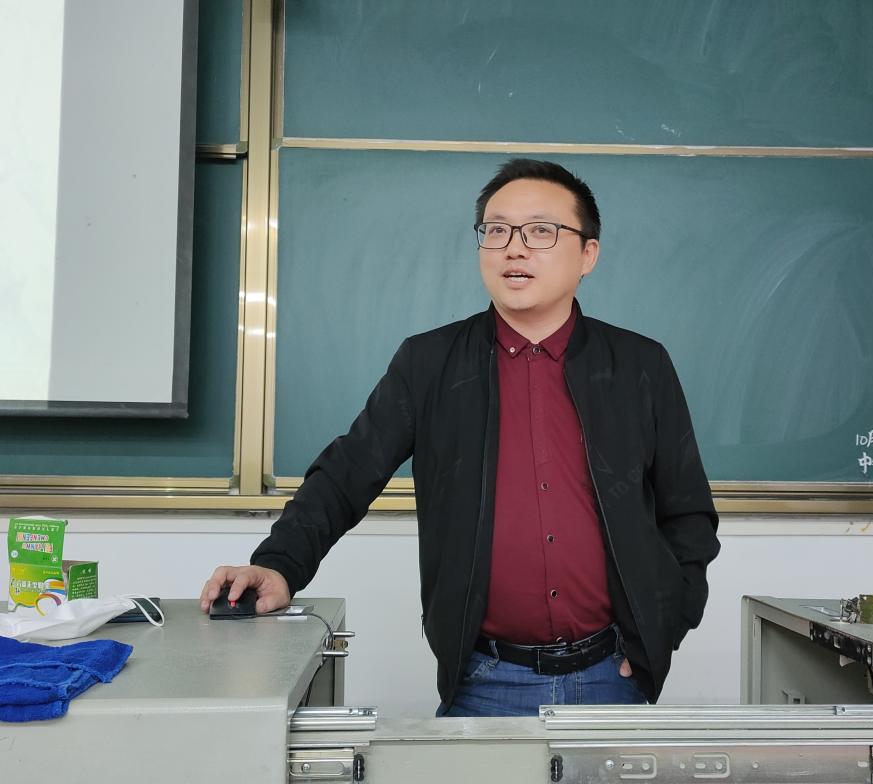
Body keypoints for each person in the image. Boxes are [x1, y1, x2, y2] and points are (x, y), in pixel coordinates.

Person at [201, 158, 720, 716]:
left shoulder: (641, 366)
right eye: (496, 231)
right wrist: (279, 564)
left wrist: (662, 626)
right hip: (484, 679)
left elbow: (688, 514)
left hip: (610, 677)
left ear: (587, 253)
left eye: (540, 231)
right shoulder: (429, 363)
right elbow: (346, 474)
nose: (513, 249)